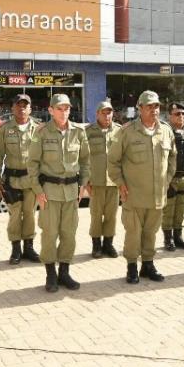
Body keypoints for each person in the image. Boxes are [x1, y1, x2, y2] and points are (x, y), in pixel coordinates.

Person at [107, 90, 176, 284]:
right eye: (149, 106)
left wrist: (166, 179)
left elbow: (172, 159)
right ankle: (131, 266)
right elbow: (113, 162)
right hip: (134, 195)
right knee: (133, 233)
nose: (154, 110)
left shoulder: (166, 130)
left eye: (156, 106)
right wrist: (120, 184)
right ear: (140, 109)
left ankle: (148, 264)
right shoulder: (127, 132)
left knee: (151, 233)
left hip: (157, 195)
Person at [28, 93, 90, 292]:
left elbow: (85, 161)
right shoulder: (42, 132)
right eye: (59, 109)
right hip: (49, 193)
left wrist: (82, 185)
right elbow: (33, 164)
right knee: (49, 234)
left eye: (66, 109)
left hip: (71, 192)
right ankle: (50, 275)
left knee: (68, 234)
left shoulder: (78, 132)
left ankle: (64, 272)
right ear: (50, 110)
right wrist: (37, 190)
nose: (63, 113)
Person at [0, 94, 41, 265]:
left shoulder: (38, 129)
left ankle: (29, 247)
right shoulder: (5, 129)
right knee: (14, 215)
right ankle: (16, 249)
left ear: (30, 109)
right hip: (12, 180)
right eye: (18, 105)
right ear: (12, 108)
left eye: (25, 105)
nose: (21, 108)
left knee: (30, 214)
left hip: (31, 180)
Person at [85, 101, 121, 258]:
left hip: (114, 182)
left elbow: (124, 157)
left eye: (109, 112)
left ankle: (108, 244)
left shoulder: (120, 131)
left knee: (111, 215)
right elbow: (83, 158)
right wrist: (85, 182)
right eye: (104, 112)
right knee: (96, 215)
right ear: (97, 114)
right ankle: (96, 246)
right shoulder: (88, 131)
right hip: (96, 182)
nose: (107, 115)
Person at [161, 102, 184, 251]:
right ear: (170, 115)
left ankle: (178, 237)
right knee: (168, 211)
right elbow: (161, 158)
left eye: (183, 114)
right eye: (177, 114)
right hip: (170, 179)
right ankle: (168, 240)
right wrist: (164, 180)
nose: (181, 116)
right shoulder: (164, 132)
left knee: (180, 210)